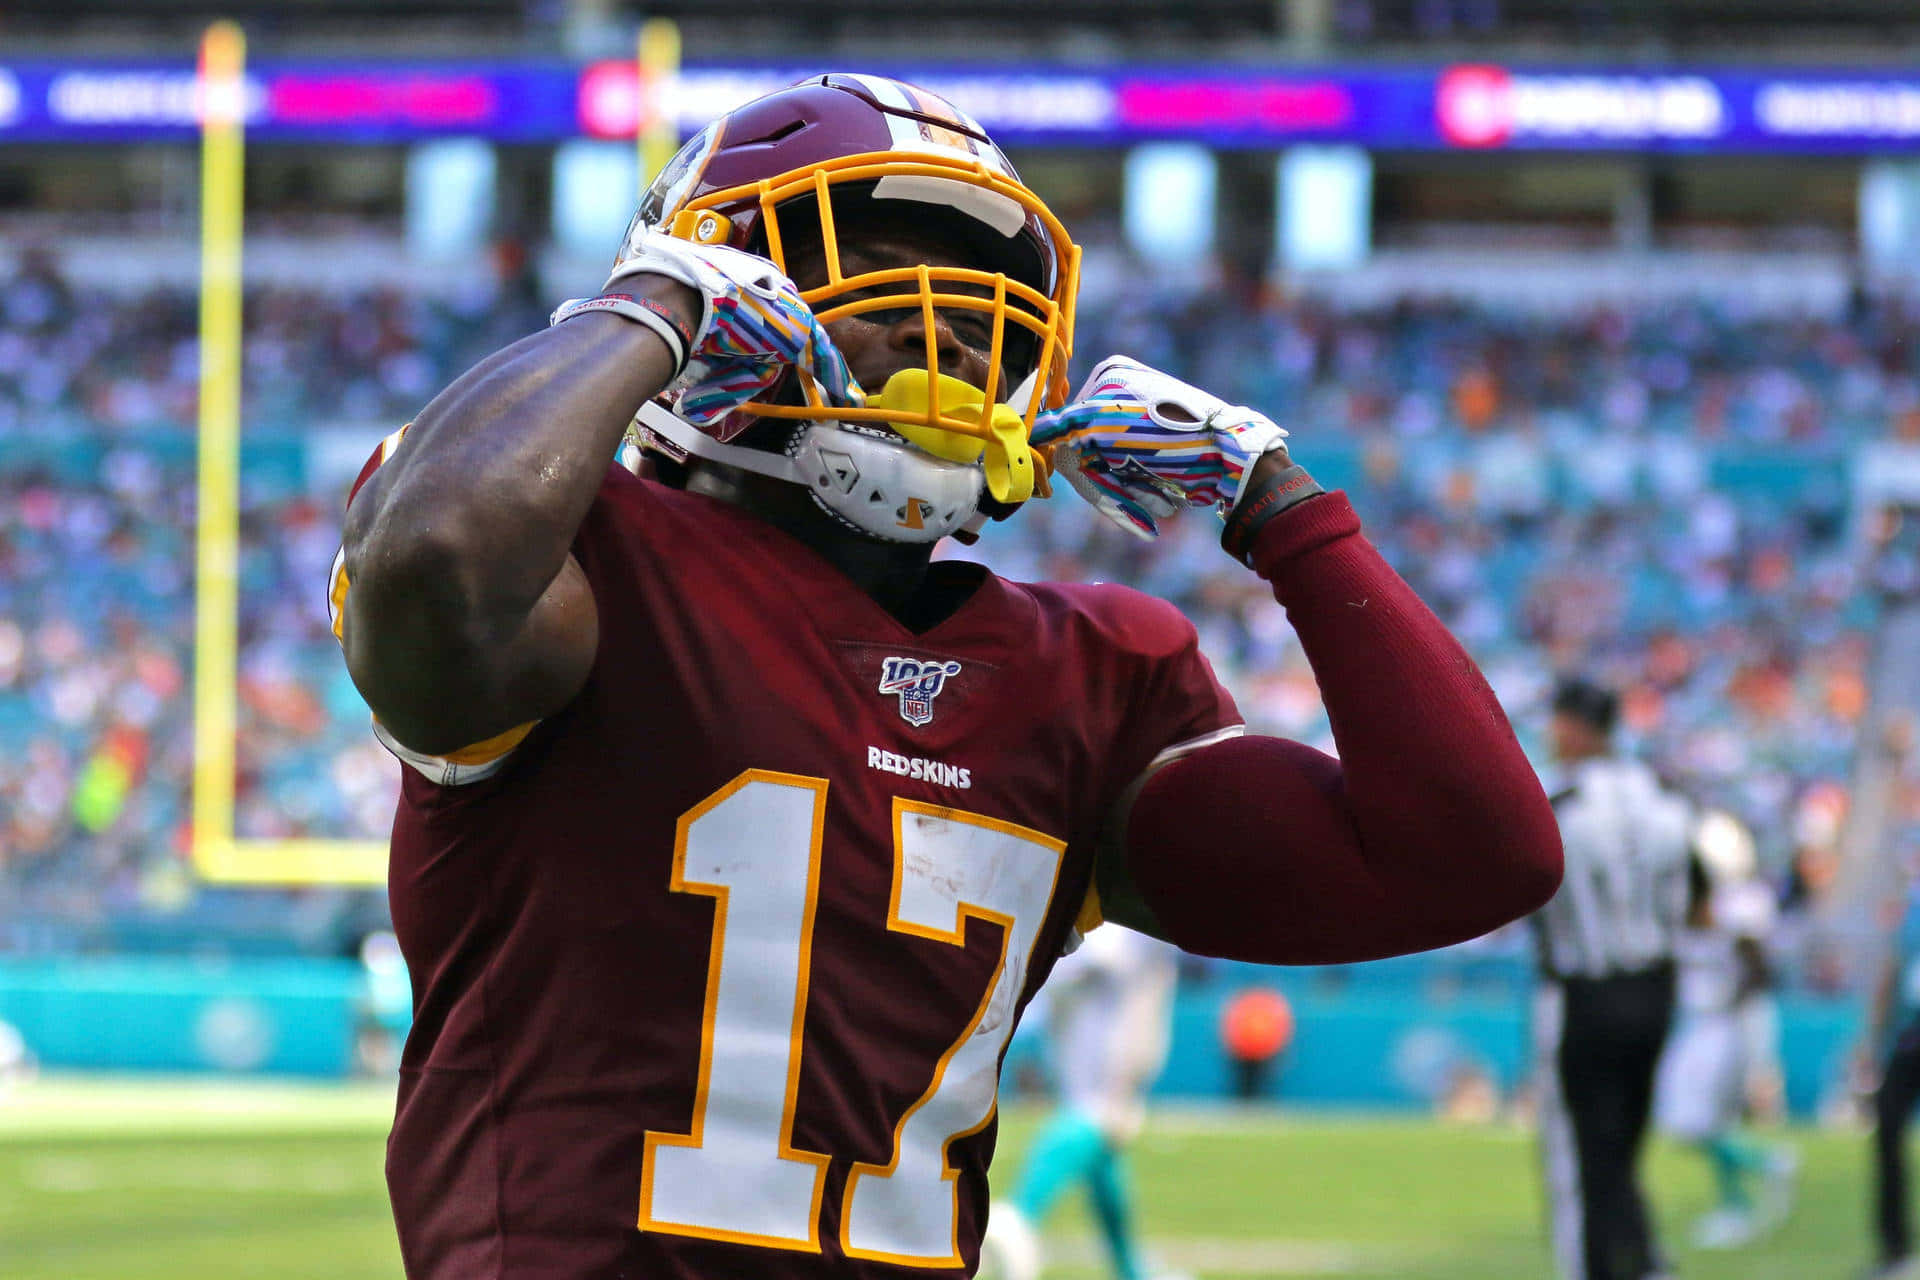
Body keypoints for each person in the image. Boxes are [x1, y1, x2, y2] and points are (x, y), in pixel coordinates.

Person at [330, 73, 1562, 1279]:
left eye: (987, 303)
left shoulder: (1089, 674)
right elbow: (437, 560)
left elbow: (1474, 854)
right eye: (866, 259)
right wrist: (647, 311)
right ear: (721, 281)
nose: (952, 324)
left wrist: (1280, 507)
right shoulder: (579, 557)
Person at [1530, 677, 1693, 1280]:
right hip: (1658, 986)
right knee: (1624, 1142)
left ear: (1575, 726)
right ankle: (1645, 1260)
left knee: (1586, 1154)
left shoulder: (1558, 797)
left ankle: (1605, 1268)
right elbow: (1699, 898)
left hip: (1588, 990)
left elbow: (1528, 890)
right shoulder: (1664, 793)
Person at [982, 927, 1186, 1280]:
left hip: (1082, 979)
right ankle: (1019, 1212)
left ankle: (1130, 1269)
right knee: (1100, 1115)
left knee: (1104, 1144)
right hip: (1106, 990)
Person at [1652, 811, 1796, 1250]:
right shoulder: (1687, 905)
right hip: (1696, 1026)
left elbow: (1758, 971)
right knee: (1690, 1120)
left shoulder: (1743, 906)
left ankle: (1759, 1173)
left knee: (1694, 1121)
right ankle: (1741, 1194)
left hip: (1719, 1028)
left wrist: (1731, 1010)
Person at [1862, 857, 1920, 1280]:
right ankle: (1895, 1249)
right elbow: (1891, 972)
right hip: (1910, 1033)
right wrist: (1873, 1040)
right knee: (1887, 1127)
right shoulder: (1912, 909)